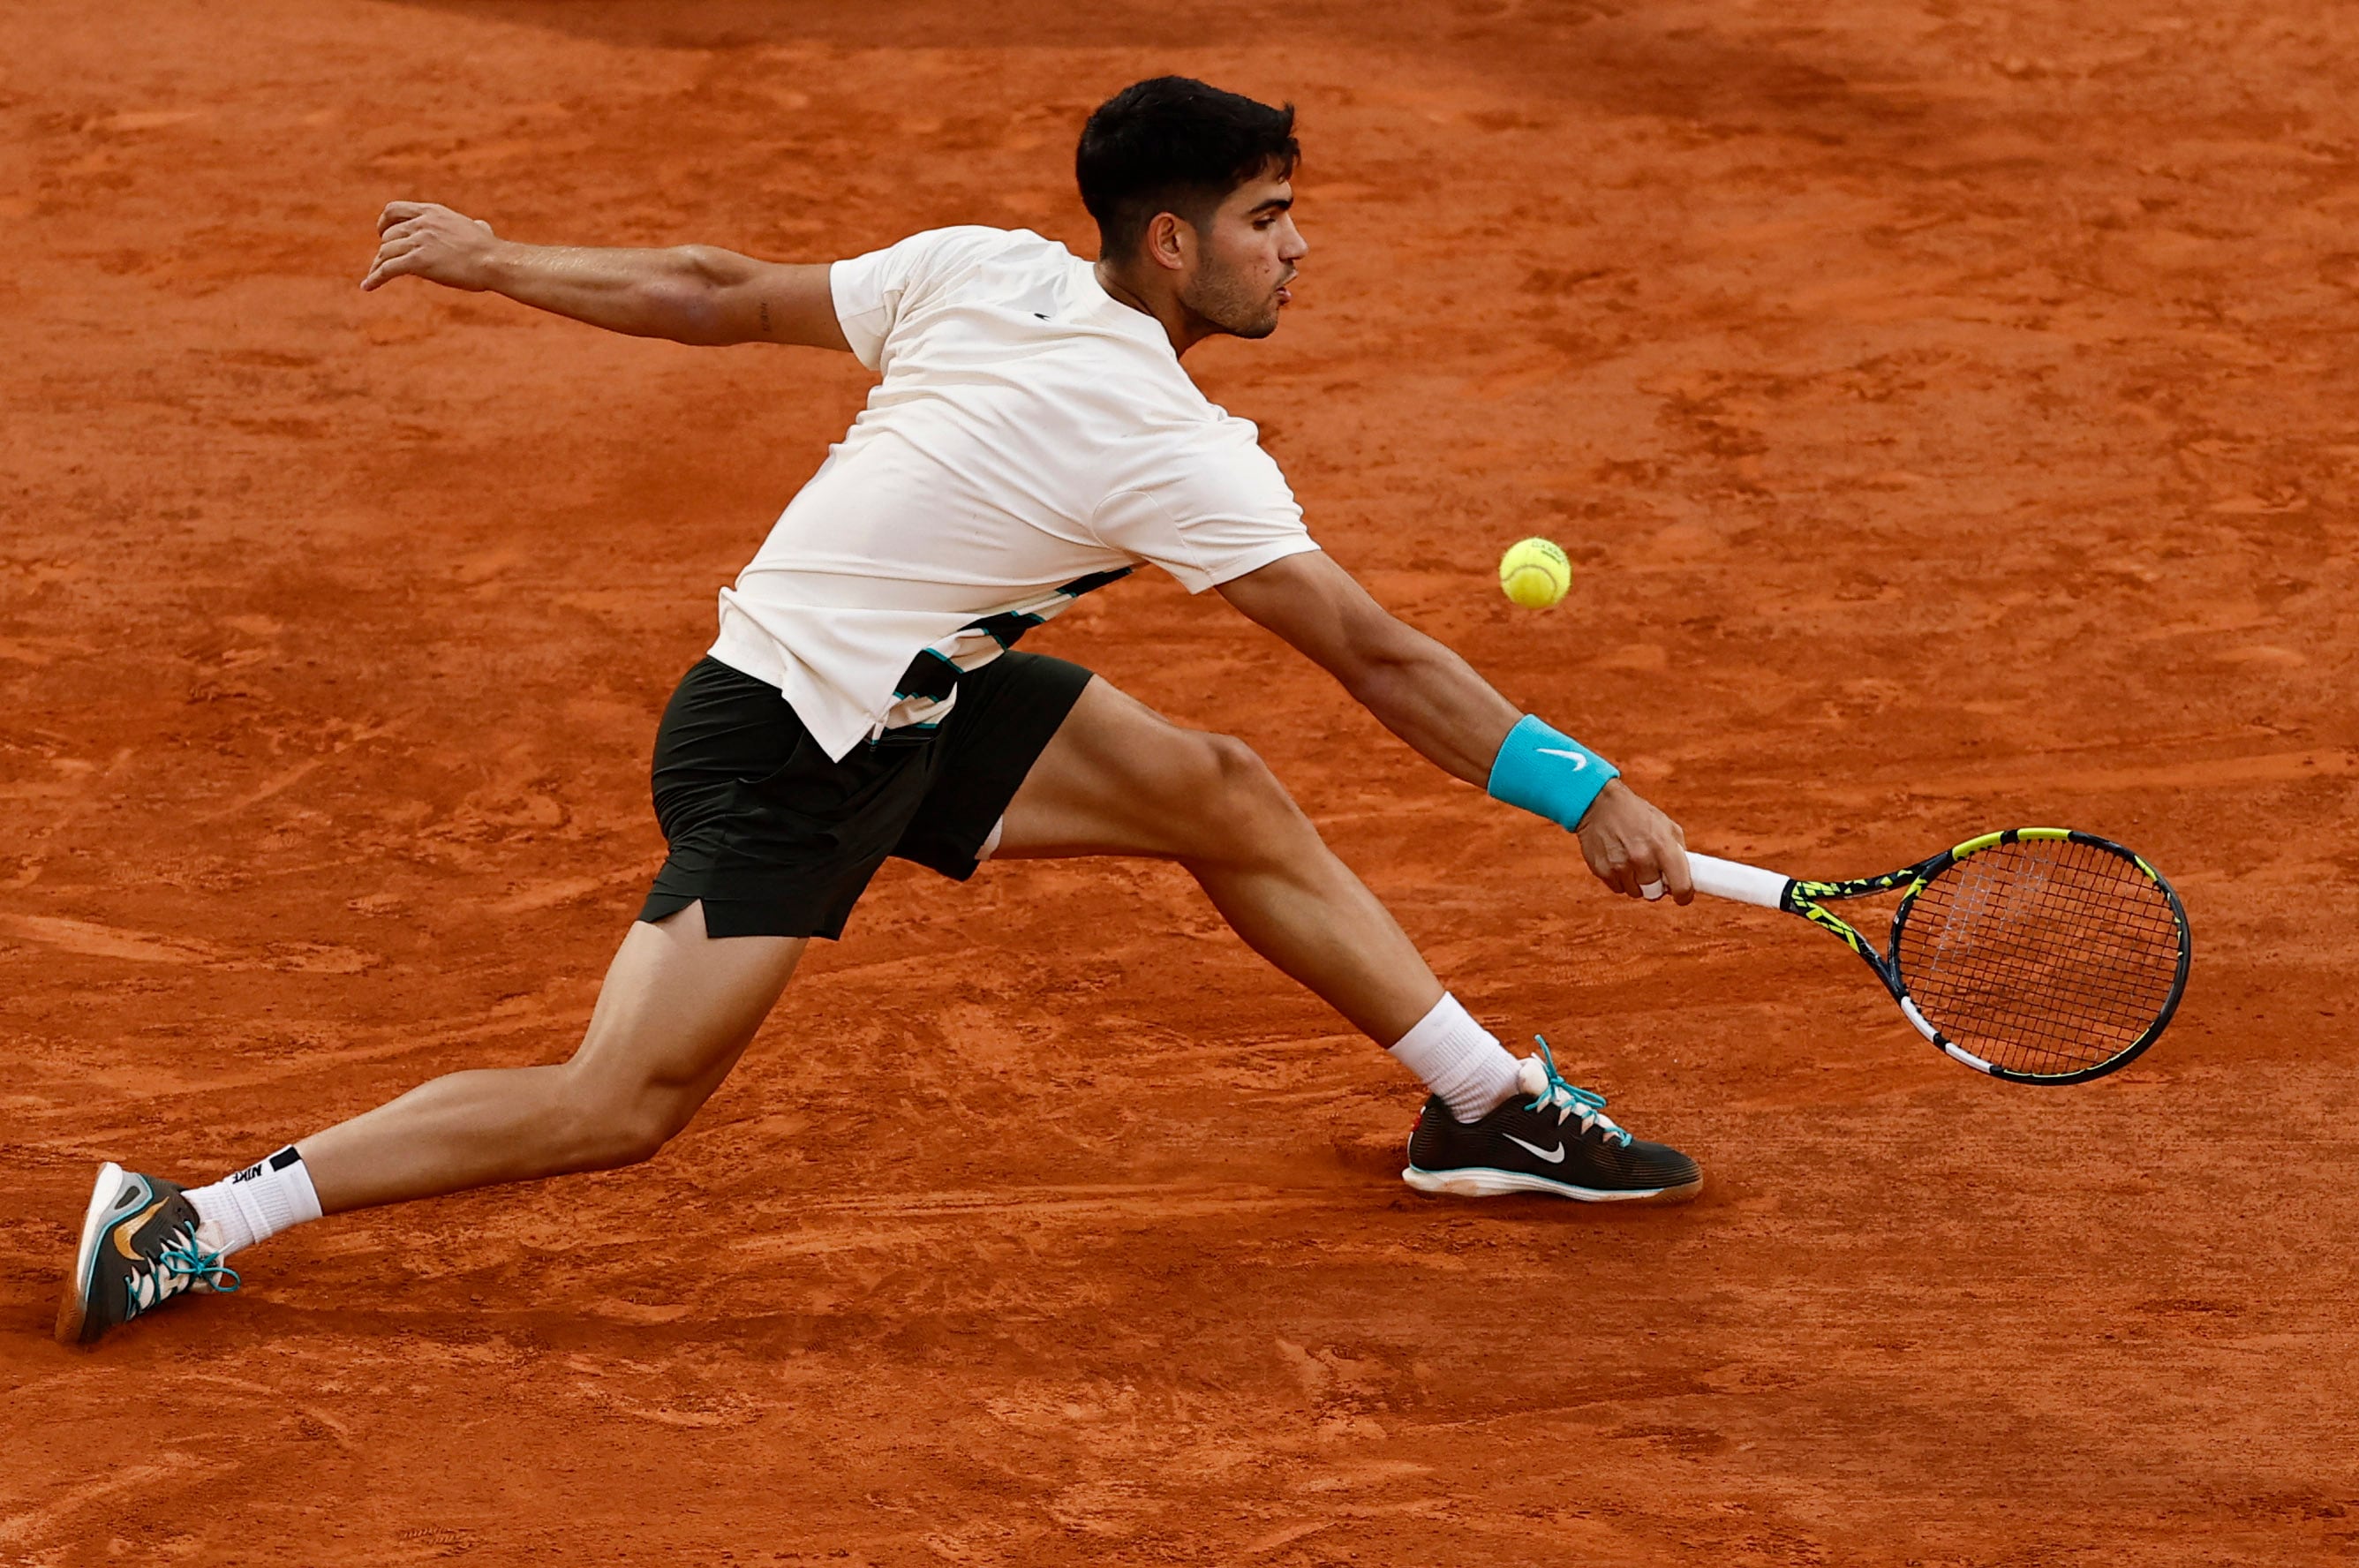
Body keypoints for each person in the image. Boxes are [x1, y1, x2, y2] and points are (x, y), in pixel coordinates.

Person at [57, 77, 1700, 1348]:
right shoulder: (1170, 446)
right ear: (1171, 242)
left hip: (908, 695)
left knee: (1218, 790)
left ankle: (1484, 1110)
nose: (1298, 247)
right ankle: (190, 1219)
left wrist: (494, 260)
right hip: (789, 745)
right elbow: (1381, 658)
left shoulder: (985, 269)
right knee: (617, 1104)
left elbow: (713, 288)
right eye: (1268, 218)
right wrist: (1586, 792)